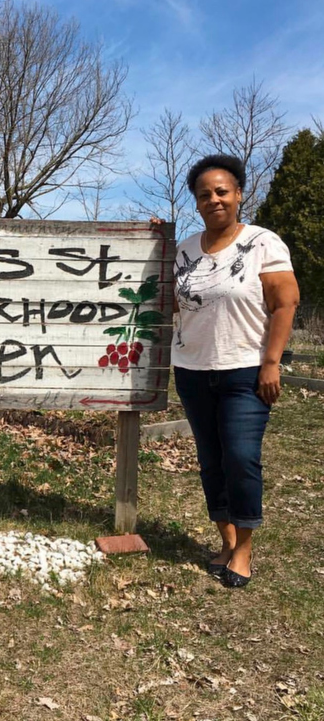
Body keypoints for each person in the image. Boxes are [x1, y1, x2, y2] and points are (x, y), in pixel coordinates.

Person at [172, 154, 299, 588]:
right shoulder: (185, 249)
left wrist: (271, 363)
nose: (214, 199)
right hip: (191, 370)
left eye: (222, 191)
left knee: (241, 459)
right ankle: (225, 539)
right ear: (196, 202)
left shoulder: (264, 242)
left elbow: (286, 302)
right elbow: (176, 303)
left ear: (239, 194)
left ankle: (244, 549)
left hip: (245, 371)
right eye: (204, 194)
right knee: (211, 461)